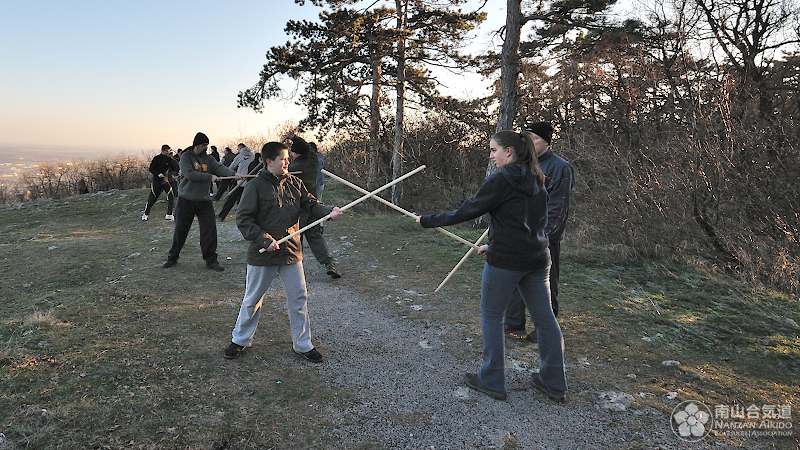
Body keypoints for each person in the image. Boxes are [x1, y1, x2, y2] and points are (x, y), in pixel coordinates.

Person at [416, 130, 567, 403]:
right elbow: (528, 224)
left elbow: (467, 211)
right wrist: (495, 245)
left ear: (509, 151)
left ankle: (491, 380)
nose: (491, 155)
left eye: (493, 150)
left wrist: (428, 220)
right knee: (545, 319)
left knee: (492, 316)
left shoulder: (500, 180)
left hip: (508, 261)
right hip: (537, 258)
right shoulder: (537, 179)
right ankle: (554, 382)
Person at [223, 141, 343, 362]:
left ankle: (302, 344)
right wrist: (264, 238)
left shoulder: (295, 183)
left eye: (288, 158)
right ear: (269, 162)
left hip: (291, 251)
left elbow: (312, 204)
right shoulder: (255, 186)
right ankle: (240, 340)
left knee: (298, 298)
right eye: (283, 159)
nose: (288, 162)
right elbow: (244, 218)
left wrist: (329, 211)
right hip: (263, 253)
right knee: (253, 299)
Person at [504, 122, 574, 342]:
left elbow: (558, 207)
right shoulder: (521, 165)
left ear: (546, 141)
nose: (530, 145)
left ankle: (545, 330)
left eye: (534, 139)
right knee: (515, 277)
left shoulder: (560, 167)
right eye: (527, 139)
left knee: (546, 283)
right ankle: (514, 325)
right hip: (519, 233)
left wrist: (543, 236)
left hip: (545, 237)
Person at [161, 132, 241, 272]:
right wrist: (209, 177)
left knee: (209, 230)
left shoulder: (208, 159)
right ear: (197, 145)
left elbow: (219, 168)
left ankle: (211, 260)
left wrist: (234, 174)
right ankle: (172, 257)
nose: (206, 148)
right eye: (204, 145)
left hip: (204, 201)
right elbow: (189, 174)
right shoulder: (186, 157)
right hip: (186, 200)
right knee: (180, 230)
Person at [287, 134, 341, 278]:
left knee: (295, 238)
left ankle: (294, 269)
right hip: (313, 204)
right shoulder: (314, 161)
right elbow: (308, 149)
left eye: (292, 152)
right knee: (315, 236)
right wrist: (295, 138)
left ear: (297, 154)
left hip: (298, 206)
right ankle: (330, 264)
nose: (290, 154)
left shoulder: (294, 167)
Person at [217, 143, 255, 222]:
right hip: (250, 181)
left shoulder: (240, 156)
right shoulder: (253, 156)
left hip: (240, 181)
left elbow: (231, 167)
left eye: (238, 149)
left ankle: (221, 216)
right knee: (249, 200)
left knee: (231, 199)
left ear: (240, 149)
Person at [142, 144, 179, 221]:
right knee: (152, 198)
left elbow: (175, 167)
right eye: (166, 151)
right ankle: (146, 214)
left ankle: (169, 214)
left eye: (169, 151)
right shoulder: (156, 159)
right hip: (157, 182)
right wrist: (158, 173)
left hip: (165, 182)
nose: (167, 152)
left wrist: (177, 170)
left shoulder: (169, 159)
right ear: (162, 151)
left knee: (171, 196)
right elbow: (151, 168)